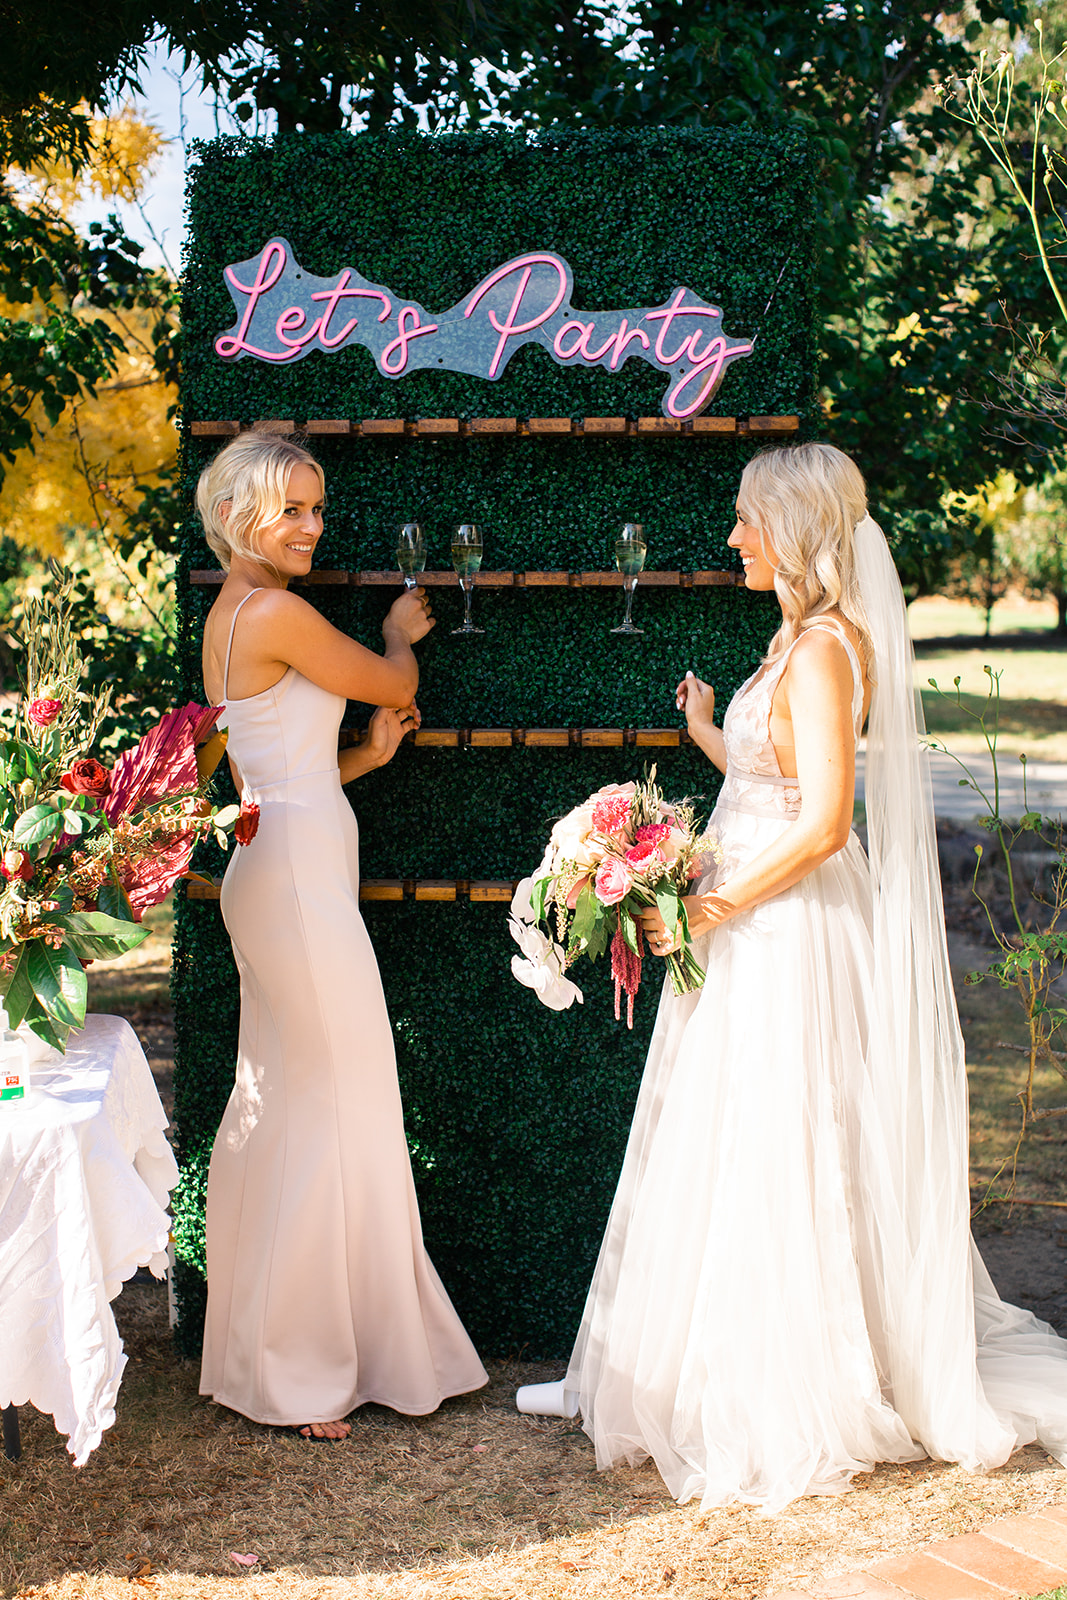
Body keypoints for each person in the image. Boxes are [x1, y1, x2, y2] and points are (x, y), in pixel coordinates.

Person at [517, 442, 1067, 1511]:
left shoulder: (822, 650)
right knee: (715, 1136)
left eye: (743, 519)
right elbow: (776, 782)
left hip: (787, 927)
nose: (730, 536)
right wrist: (705, 739)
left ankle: (775, 1386)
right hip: (748, 913)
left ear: (793, 526)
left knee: (782, 1135)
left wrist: (712, 905)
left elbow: (821, 825)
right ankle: (649, 1372)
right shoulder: (792, 640)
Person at [197, 432, 486, 1440]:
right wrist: (401, 632)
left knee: (285, 1100)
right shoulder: (275, 610)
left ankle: (274, 1353)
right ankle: (303, 1372)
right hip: (296, 889)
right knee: (332, 1102)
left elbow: (273, 784)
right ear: (240, 515)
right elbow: (394, 682)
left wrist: (359, 759)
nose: (312, 527)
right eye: (292, 510)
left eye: (317, 508)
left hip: (276, 871)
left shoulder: (230, 615)